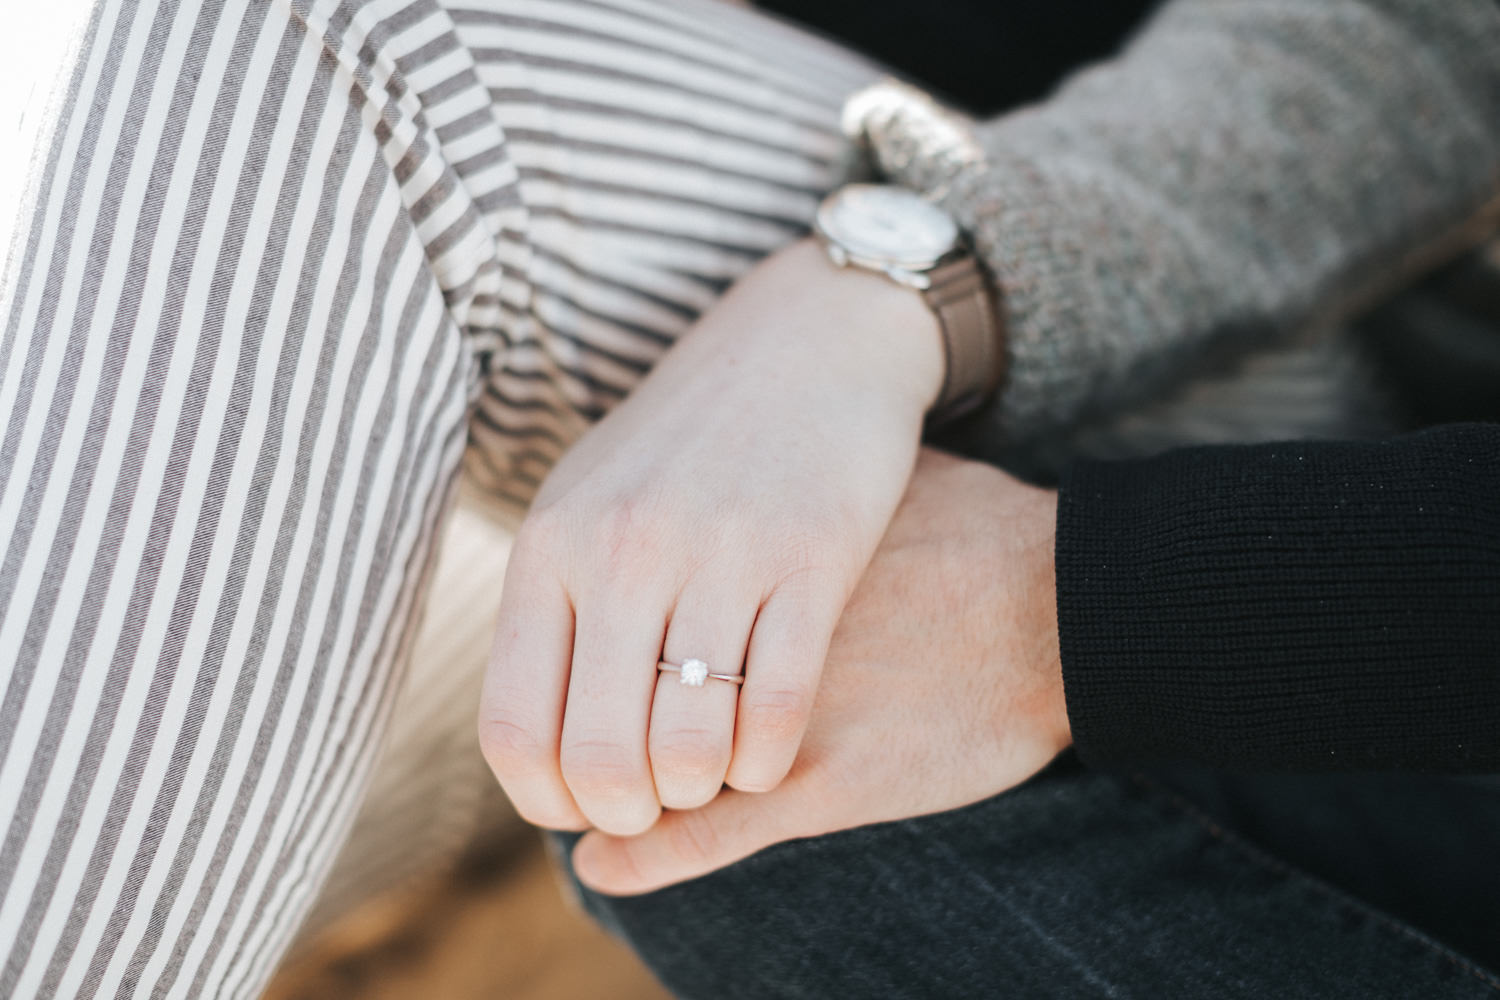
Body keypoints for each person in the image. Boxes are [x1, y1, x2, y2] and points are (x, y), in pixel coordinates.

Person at [0, 1, 1493, 998]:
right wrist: (913, 276)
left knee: (345, 54)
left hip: (1352, 597)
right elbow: (1426, 45)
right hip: (1268, 398)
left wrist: (1066, 607)